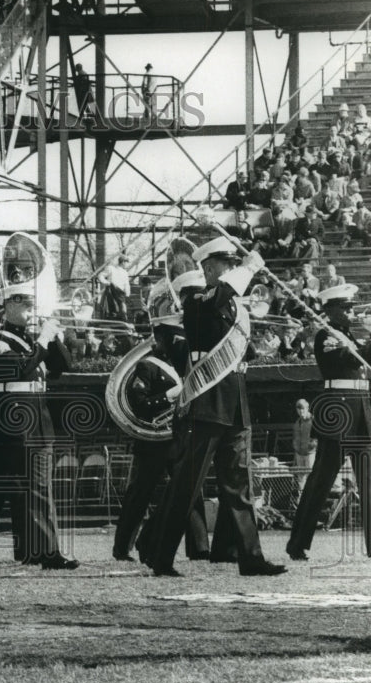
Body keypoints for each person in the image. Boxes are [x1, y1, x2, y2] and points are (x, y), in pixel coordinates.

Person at [139, 237, 286, 577]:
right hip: (208, 402)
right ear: (207, 267)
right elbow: (218, 300)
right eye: (225, 262)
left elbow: (237, 352)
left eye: (233, 262)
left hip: (234, 403)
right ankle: (159, 554)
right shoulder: (198, 300)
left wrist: (261, 348)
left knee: (239, 485)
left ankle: (250, 557)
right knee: (187, 486)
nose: (231, 266)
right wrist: (250, 267)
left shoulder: (231, 306)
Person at [0, 259, 79, 571]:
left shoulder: (30, 339)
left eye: (33, 304)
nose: (32, 311)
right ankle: (41, 551)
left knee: (28, 490)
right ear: (10, 305)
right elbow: (21, 370)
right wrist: (41, 341)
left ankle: (37, 551)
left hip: (35, 425)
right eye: (26, 305)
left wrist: (53, 338)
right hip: (13, 426)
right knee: (14, 490)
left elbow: (62, 368)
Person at [286, 284, 371, 561]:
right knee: (320, 482)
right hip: (338, 413)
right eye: (346, 308)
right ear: (330, 310)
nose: (352, 312)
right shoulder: (325, 336)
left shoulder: (349, 335)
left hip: (361, 415)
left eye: (352, 307)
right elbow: (356, 357)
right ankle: (297, 543)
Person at [113, 269, 220, 563]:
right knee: (141, 492)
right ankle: (122, 546)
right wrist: (171, 396)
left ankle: (199, 547)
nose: (176, 341)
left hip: (179, 433)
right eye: (170, 336)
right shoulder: (148, 365)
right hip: (153, 438)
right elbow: (139, 402)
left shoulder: (185, 351)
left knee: (190, 490)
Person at [291, 398, 317, 507]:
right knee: (300, 477)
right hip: (299, 452)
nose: (301, 412)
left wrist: (313, 444)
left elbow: (318, 436)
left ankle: (311, 499)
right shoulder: (298, 422)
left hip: (310, 452)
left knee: (311, 475)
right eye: (299, 409)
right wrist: (295, 446)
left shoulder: (313, 420)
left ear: (307, 408)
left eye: (302, 409)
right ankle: (301, 501)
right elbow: (295, 436)